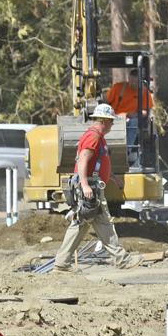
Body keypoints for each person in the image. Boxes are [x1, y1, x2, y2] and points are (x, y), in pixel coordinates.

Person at [53, 103, 144, 273]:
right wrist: (85, 185)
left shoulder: (98, 137)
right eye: (111, 121)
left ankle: (61, 263)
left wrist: (113, 178)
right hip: (90, 188)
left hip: (92, 186)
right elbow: (83, 160)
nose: (112, 124)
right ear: (103, 120)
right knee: (102, 224)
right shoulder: (93, 137)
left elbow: (99, 163)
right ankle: (122, 259)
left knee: (82, 225)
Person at [105, 69, 154, 162]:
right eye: (131, 81)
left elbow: (146, 112)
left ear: (140, 81)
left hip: (132, 119)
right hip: (115, 117)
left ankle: (126, 151)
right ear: (128, 79)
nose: (132, 83)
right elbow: (106, 102)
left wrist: (132, 115)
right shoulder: (118, 88)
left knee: (134, 123)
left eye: (135, 82)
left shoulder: (144, 93)